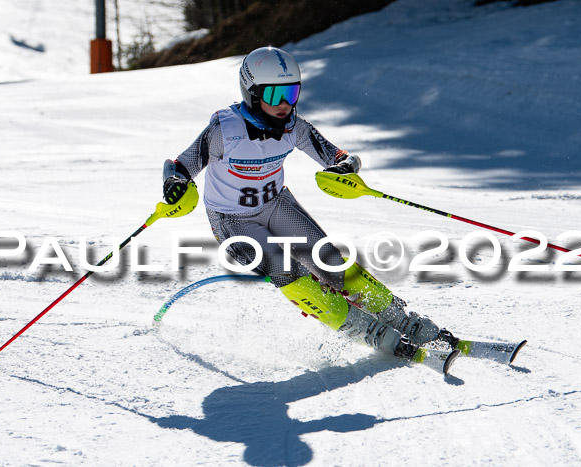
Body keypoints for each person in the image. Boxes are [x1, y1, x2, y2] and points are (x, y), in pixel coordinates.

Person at [162, 46, 458, 362]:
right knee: (286, 268)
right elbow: (181, 165)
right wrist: (175, 183)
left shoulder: (294, 127)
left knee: (330, 260)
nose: (286, 104)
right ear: (251, 93)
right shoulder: (225, 130)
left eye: (292, 93)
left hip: (276, 204)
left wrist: (345, 167)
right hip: (233, 220)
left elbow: (337, 155)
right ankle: (377, 336)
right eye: (275, 96)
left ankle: (408, 324)